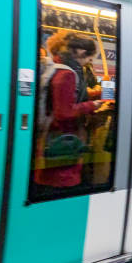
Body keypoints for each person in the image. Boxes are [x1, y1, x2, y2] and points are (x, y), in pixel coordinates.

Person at [34, 34, 104, 193]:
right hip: (63, 140)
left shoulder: (58, 69)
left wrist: (98, 94)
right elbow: (64, 112)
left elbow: (69, 96)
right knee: (60, 186)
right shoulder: (68, 74)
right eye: (90, 57)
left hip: (53, 136)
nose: (90, 61)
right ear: (81, 52)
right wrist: (92, 105)